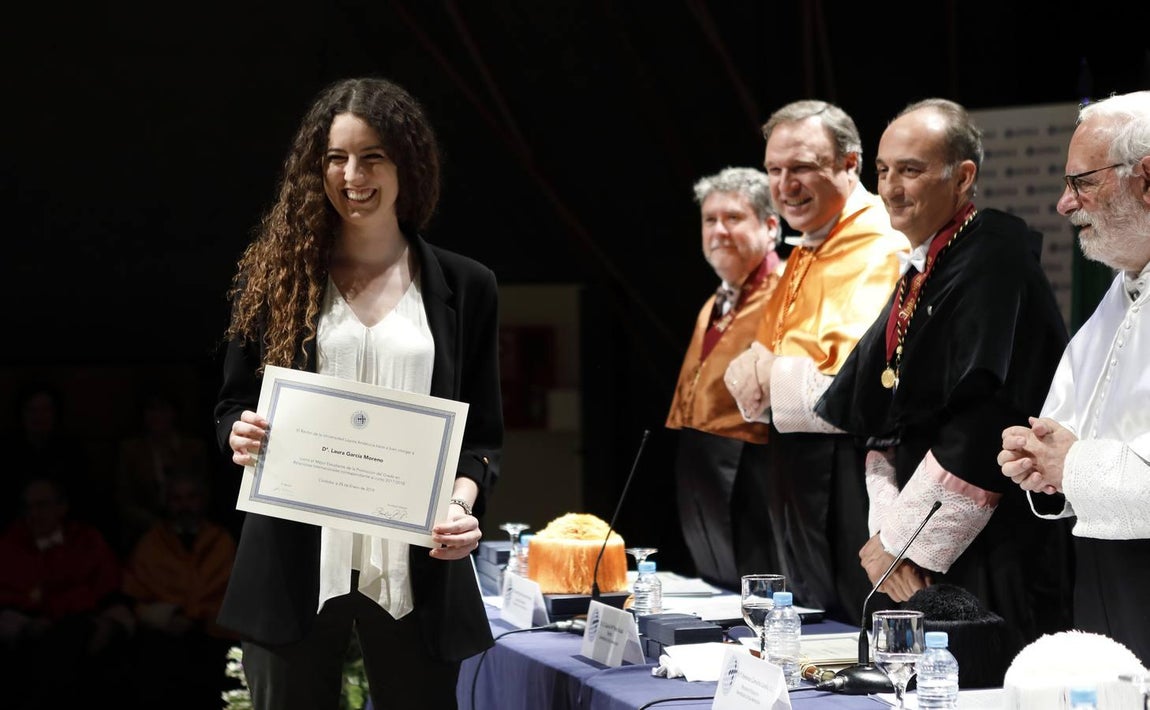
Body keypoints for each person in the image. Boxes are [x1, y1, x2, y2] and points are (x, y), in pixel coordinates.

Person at [214, 76, 503, 710]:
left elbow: (482, 437)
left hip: (416, 567)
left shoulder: (466, 285)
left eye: (372, 156)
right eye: (336, 158)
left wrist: (462, 502)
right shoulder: (275, 277)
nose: (353, 175)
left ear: (407, 164)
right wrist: (237, 431)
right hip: (294, 561)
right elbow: (231, 405)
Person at [814, 98, 1074, 659]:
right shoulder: (926, 264)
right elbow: (881, 406)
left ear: (963, 177)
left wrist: (904, 543)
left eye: (910, 170)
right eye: (882, 171)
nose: (890, 188)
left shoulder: (992, 257)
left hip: (988, 542)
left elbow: (988, 413)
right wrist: (886, 534)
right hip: (913, 541)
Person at [723, 99, 909, 623]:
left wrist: (768, 377)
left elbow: (866, 378)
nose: (785, 185)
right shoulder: (808, 244)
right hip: (796, 464)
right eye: (774, 170)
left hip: (851, 466)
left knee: (855, 629)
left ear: (851, 165)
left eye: (802, 167)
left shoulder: (884, 241)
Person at [998, 90, 1150, 666]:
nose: (1064, 205)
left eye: (1082, 181)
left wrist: (1071, 464)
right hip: (1107, 573)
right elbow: (1072, 424)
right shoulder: (1125, 281)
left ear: (1147, 179)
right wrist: (1041, 458)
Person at [665, 166, 783, 590]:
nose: (718, 230)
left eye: (733, 218)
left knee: (759, 592)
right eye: (710, 219)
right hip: (704, 462)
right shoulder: (717, 298)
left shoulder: (787, 290)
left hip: (756, 464)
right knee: (716, 587)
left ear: (770, 227)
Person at [0, 476, 135, 709]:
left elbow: (110, 587)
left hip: (86, 626)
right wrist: (27, 625)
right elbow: (8, 598)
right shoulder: (11, 543)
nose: (33, 514)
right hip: (33, 632)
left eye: (41, 505)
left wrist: (109, 624)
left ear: (62, 508)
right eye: (27, 507)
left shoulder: (87, 539)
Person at [122, 469, 240, 709]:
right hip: (165, 636)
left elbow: (234, 596)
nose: (185, 505)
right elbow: (136, 595)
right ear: (166, 503)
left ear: (203, 500)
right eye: (177, 499)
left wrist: (200, 617)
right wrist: (169, 616)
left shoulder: (221, 541)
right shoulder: (151, 543)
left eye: (191, 497)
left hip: (213, 636)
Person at [115, 388, 211, 554]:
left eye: (163, 409)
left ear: (174, 413)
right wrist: (157, 526)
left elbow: (206, 490)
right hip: (144, 529)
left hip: (191, 525)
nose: (157, 416)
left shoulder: (194, 448)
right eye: (151, 409)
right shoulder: (131, 450)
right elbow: (124, 498)